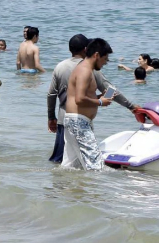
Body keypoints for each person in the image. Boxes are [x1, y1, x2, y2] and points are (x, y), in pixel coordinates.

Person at [47, 34, 138, 164]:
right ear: (86, 50)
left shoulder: (60, 66)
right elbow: (110, 89)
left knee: (65, 162)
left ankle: (59, 183)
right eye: (105, 59)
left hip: (64, 118)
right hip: (79, 120)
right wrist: (130, 106)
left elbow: (51, 94)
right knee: (94, 165)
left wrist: (51, 117)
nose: (105, 62)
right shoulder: (88, 69)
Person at [63, 38, 116, 170]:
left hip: (76, 121)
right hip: (78, 123)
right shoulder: (84, 71)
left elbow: (81, 96)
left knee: (72, 166)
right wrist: (100, 102)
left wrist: (100, 97)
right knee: (96, 167)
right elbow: (79, 99)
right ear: (96, 55)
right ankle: (93, 190)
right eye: (105, 59)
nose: (105, 63)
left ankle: (62, 189)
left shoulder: (84, 69)